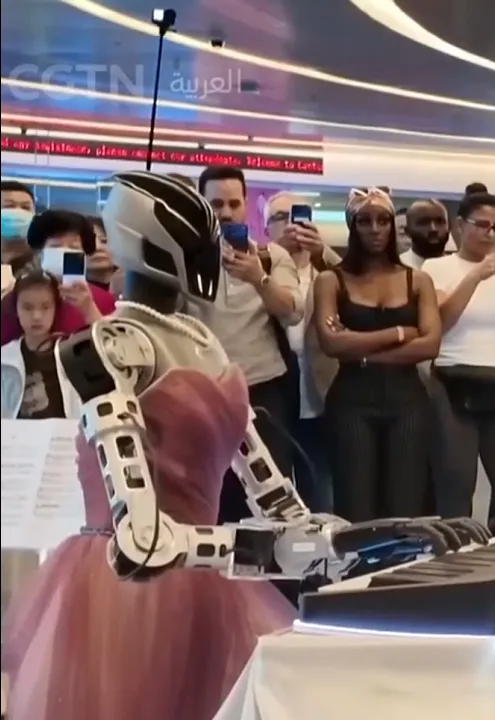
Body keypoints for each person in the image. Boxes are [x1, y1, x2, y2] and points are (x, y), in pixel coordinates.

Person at [1, 171, 296, 720]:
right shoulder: (105, 348)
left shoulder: (201, 340)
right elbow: (140, 536)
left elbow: (268, 485)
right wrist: (259, 546)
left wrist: (321, 536)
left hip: (200, 578)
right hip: (127, 586)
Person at [313, 188, 441, 522]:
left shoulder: (418, 280)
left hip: (408, 401)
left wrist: (360, 350)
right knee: (355, 508)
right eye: (365, 221)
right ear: (352, 226)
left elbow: (430, 345)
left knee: (405, 508)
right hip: (351, 402)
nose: (375, 229)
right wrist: (398, 333)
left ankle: (402, 559)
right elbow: (331, 344)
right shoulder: (331, 280)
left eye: (383, 221)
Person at [192, 166, 304, 522]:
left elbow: (293, 312)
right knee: (208, 496)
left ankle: (269, 561)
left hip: (264, 391)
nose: (226, 212)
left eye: (233, 203)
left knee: (270, 501)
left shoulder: (272, 256)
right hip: (203, 391)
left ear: (245, 204)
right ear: (201, 204)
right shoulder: (183, 259)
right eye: (216, 204)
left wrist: (259, 278)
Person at [423, 192, 495, 531]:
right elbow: (440, 323)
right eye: (482, 225)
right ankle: (455, 550)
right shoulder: (436, 267)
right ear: (460, 226)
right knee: (456, 480)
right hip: (452, 379)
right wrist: (475, 275)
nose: (491, 233)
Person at [264, 191, 338, 512]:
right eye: (280, 217)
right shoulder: (256, 274)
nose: (291, 225)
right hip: (273, 396)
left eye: (298, 216)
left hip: (320, 398)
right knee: (274, 496)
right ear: (266, 228)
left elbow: (358, 282)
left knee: (321, 494)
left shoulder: (329, 274)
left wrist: (324, 252)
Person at [0, 209, 116, 345]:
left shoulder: (104, 300)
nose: (64, 252)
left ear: (84, 254)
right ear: (41, 252)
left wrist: (89, 310)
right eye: (56, 246)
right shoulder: (17, 297)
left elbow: (112, 346)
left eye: (73, 247)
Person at [0, 269, 79, 419]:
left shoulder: (74, 354)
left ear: (56, 309)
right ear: (16, 309)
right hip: (15, 433)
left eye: (45, 307)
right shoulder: (4, 359)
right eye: (27, 307)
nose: (37, 316)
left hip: (65, 432)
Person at [402, 199, 452, 267]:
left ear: (449, 227)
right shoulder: (396, 268)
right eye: (424, 222)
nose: (433, 229)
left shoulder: (458, 268)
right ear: (408, 231)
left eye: (439, 221)